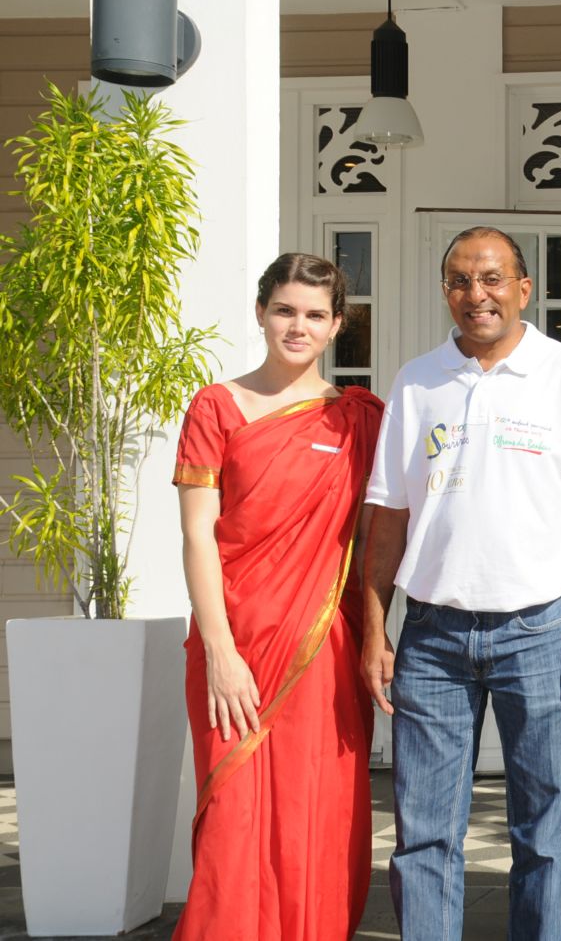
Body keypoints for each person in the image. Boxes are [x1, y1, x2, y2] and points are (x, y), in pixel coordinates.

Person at [360, 226, 561, 940]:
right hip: (432, 637)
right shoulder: (416, 381)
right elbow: (386, 516)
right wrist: (372, 630)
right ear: (445, 290)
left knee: (542, 832)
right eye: (459, 280)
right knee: (423, 835)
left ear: (522, 289)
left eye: (490, 279)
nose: (474, 295)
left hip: (538, 631)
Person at [171, 252, 382, 940]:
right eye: (285, 310)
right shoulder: (217, 406)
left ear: (337, 325)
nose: (298, 326)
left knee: (313, 817)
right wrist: (221, 651)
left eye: (315, 315)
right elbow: (198, 538)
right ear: (261, 312)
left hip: (323, 650)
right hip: (232, 650)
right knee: (234, 818)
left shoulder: (359, 419)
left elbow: (388, 533)